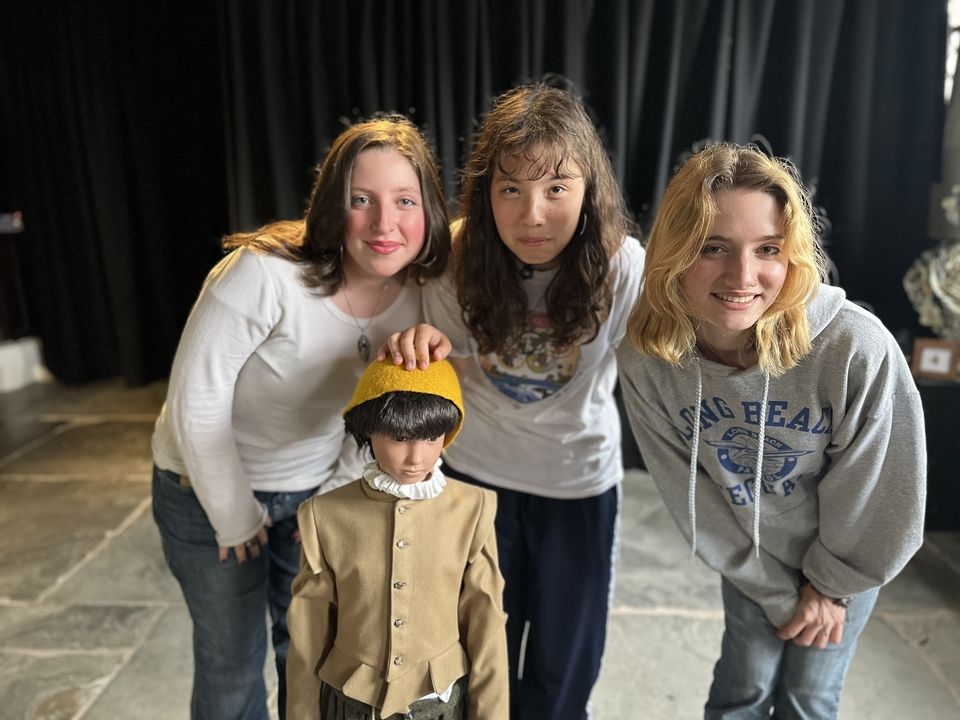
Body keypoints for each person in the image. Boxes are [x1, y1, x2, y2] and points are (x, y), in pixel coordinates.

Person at [150, 115, 451, 720]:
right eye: (360, 200)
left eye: (405, 201)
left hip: (312, 493)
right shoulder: (263, 275)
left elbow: (368, 416)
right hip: (205, 493)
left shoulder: (421, 292)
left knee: (314, 664)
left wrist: (332, 492)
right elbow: (196, 401)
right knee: (231, 668)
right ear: (332, 205)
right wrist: (236, 517)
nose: (384, 223)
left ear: (430, 212)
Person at [617, 142, 926, 719]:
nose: (742, 275)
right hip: (750, 554)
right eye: (713, 248)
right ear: (675, 253)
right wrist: (773, 589)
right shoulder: (647, 360)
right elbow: (690, 494)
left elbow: (882, 492)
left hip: (847, 559)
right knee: (743, 687)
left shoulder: (854, 348)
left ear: (794, 257)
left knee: (808, 697)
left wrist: (830, 588)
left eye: (767, 249)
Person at [387, 83, 646, 719]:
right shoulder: (456, 260)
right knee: (478, 663)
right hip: (477, 482)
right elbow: (446, 372)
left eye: (556, 188)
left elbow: (653, 371)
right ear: (486, 192)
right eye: (511, 189)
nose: (533, 214)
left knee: (563, 674)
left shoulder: (621, 267)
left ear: (588, 191)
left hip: (577, 485)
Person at [286, 358, 509, 719]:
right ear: (369, 429)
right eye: (399, 437)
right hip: (350, 702)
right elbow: (308, 635)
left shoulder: (473, 509)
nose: (416, 457)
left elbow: (486, 625)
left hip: (439, 703)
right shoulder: (322, 514)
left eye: (432, 437)